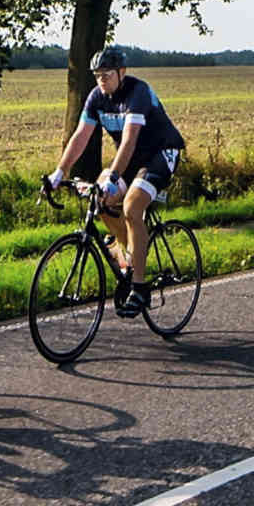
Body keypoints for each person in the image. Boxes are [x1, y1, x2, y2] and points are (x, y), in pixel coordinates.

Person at [46, 46, 185, 317]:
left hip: (160, 153)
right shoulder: (96, 98)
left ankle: (141, 288)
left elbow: (131, 139)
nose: (101, 80)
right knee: (100, 200)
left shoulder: (138, 92)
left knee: (132, 207)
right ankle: (132, 257)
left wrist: (113, 176)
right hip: (132, 158)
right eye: (97, 75)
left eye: (107, 74)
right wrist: (60, 172)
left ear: (122, 72)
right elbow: (81, 136)